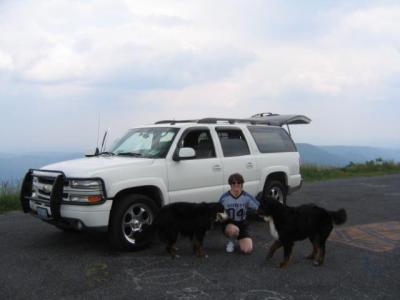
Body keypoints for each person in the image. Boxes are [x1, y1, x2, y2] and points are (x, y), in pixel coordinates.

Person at [219, 173, 259, 254]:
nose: (236, 185)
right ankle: (231, 241)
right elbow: (218, 213)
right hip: (229, 224)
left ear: (242, 184)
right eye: (233, 183)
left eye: (238, 182)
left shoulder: (247, 196)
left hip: (242, 224)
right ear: (230, 184)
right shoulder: (224, 197)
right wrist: (222, 218)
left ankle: (240, 239)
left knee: (247, 250)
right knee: (234, 230)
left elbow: (260, 208)